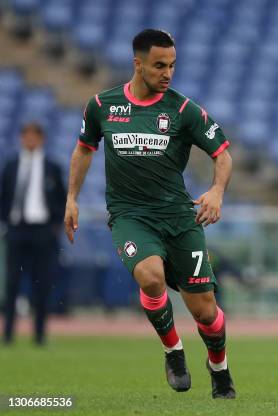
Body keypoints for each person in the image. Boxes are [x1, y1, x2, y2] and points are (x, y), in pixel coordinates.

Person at [64, 29, 235, 398]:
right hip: (131, 216)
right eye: (159, 65)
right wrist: (72, 198)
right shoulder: (102, 106)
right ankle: (173, 352)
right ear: (137, 64)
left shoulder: (183, 110)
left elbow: (222, 152)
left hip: (179, 218)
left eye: (172, 65)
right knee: (151, 277)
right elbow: (83, 149)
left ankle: (219, 368)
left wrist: (217, 191)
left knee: (206, 313)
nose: (167, 73)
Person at [1, 122, 66, 345]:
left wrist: (55, 225)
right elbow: (4, 197)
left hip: (42, 230)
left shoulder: (52, 167)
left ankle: (39, 335)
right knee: (12, 283)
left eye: (33, 136)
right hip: (17, 229)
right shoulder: (11, 165)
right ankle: (8, 334)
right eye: (26, 136)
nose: (29, 140)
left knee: (42, 283)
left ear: (41, 139)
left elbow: (62, 197)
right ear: (21, 138)